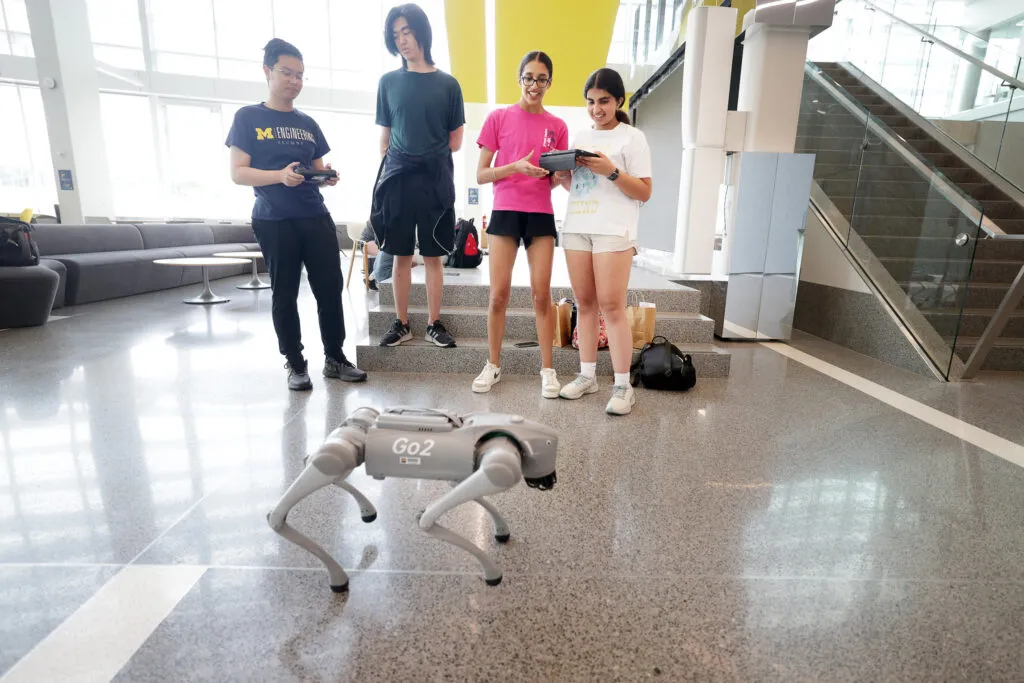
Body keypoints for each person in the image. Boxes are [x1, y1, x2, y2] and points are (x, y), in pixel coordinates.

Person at [226, 38, 366, 391]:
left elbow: (317, 170)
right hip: (274, 219)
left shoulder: (308, 123)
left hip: (314, 216)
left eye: (301, 75)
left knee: (330, 289)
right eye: (287, 73)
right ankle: (295, 362)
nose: (295, 81)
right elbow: (238, 173)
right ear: (267, 72)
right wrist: (278, 176)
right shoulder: (248, 117)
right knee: (284, 292)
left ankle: (335, 357)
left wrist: (327, 177)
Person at [554, 68, 652, 416]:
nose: (597, 108)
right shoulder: (580, 134)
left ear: (619, 101)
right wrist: (565, 176)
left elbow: (644, 191)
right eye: (591, 102)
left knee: (612, 305)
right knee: (585, 302)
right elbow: (579, 187)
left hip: (614, 229)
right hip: (578, 225)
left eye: (604, 101)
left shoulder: (633, 138)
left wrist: (610, 170)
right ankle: (587, 376)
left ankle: (623, 385)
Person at [471, 51, 568, 398]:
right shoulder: (498, 117)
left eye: (541, 79)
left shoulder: (557, 126)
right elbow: (481, 174)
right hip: (505, 212)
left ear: (549, 83)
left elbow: (556, 178)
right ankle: (493, 365)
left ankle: (547, 369)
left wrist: (552, 176)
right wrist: (515, 167)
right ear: (519, 79)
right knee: (498, 295)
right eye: (529, 77)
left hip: (540, 214)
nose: (534, 85)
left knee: (542, 295)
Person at [371, 3, 465, 348]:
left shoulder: (448, 84)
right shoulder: (388, 82)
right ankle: (401, 322)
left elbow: (456, 140)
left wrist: (426, 155)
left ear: (421, 32)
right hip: (397, 178)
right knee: (399, 254)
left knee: (432, 256)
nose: (401, 40)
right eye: (395, 35)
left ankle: (434, 323)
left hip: (434, 179)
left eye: (406, 32)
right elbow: (384, 138)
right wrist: (399, 163)